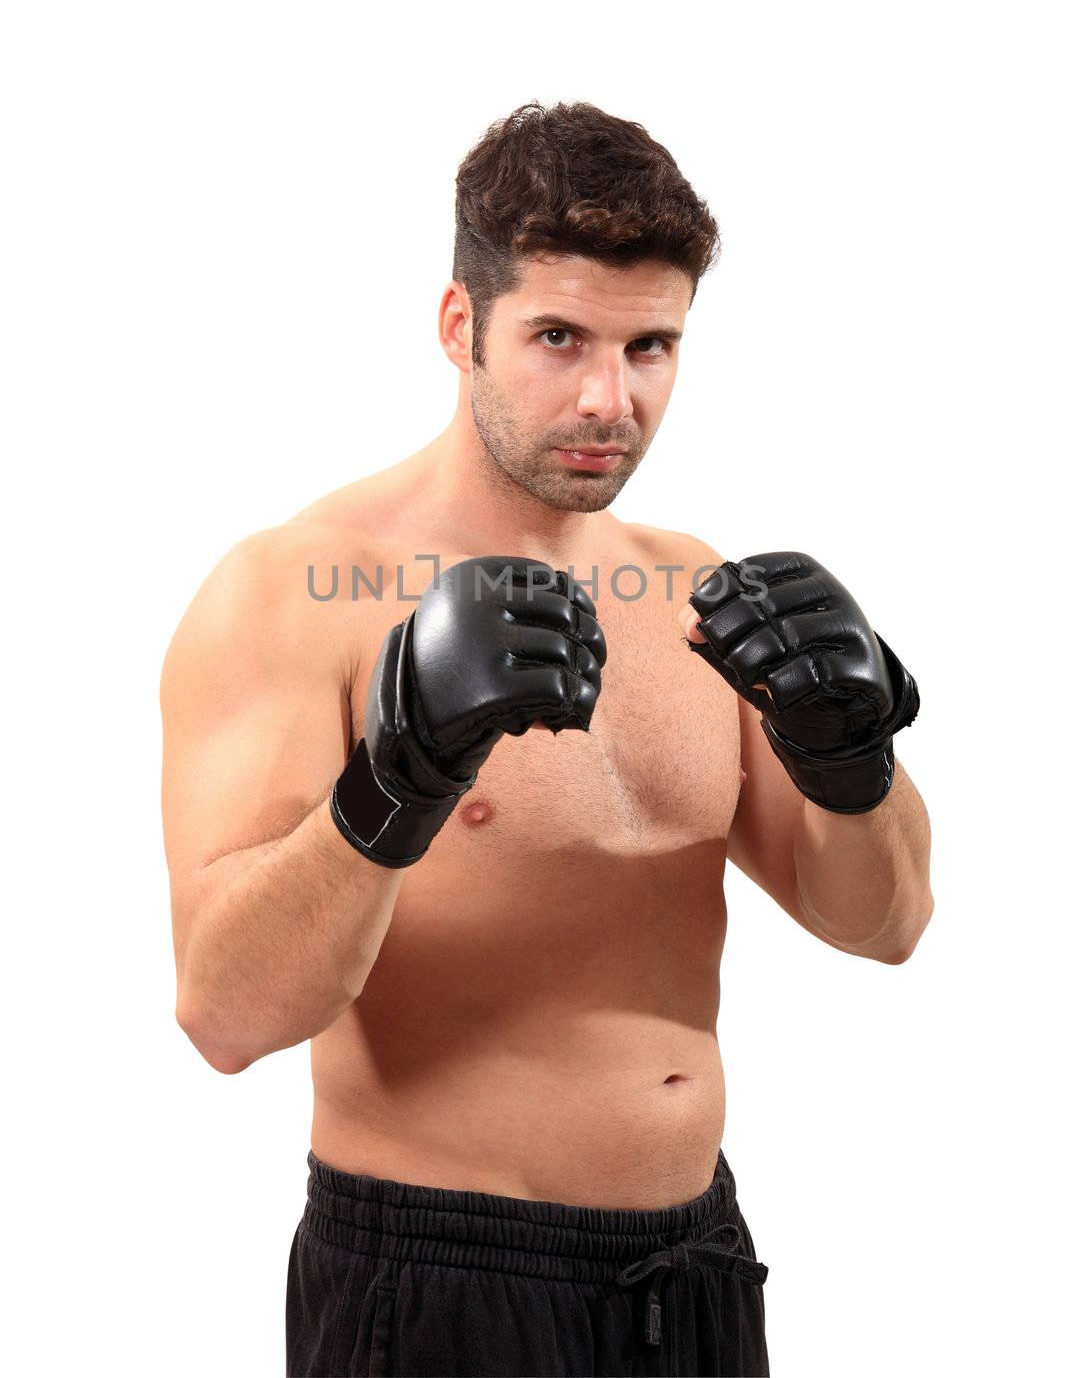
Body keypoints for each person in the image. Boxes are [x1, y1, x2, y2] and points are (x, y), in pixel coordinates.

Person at [160, 100, 932, 1377]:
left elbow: (883, 922)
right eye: (558, 337)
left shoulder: (696, 591)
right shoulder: (296, 592)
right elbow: (225, 1016)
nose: (606, 397)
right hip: (439, 1285)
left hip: (693, 1271)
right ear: (460, 326)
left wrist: (853, 762)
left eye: (649, 348)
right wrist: (397, 773)